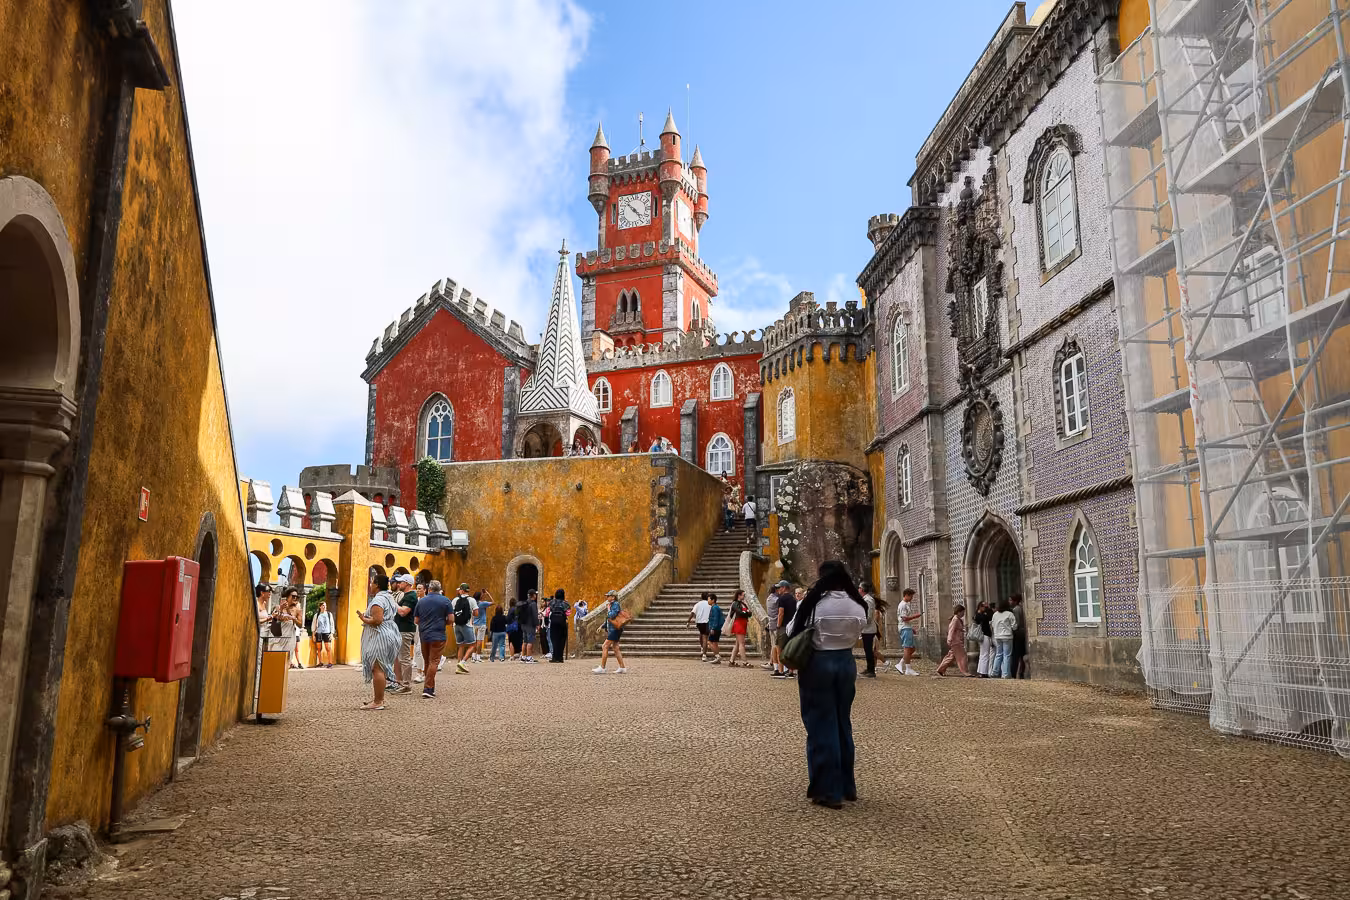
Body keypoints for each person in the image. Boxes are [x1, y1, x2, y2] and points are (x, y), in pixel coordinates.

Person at [787, 560, 869, 810]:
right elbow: (861, 628)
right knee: (842, 721)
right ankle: (847, 786)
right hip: (846, 663)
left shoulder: (814, 605)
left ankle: (828, 789)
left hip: (819, 664)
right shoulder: (859, 604)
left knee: (821, 724)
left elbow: (792, 630)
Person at [356, 574, 400, 710]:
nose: (370, 585)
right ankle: (378, 698)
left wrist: (363, 618)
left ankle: (378, 701)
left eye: (372, 583)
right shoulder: (389, 597)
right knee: (380, 667)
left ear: (377, 584)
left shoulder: (378, 600)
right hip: (389, 633)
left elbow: (377, 621)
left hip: (380, 635)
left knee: (377, 667)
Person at [413, 580, 453, 699]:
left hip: (424, 634)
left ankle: (430, 686)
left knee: (427, 661)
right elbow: (451, 619)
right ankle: (428, 688)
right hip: (438, 634)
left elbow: (416, 620)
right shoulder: (445, 601)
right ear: (439, 589)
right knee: (434, 661)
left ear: (429, 589)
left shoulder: (422, 601)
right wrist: (442, 622)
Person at [390, 574, 418, 692]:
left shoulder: (411, 596)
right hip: (401, 629)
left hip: (405, 630)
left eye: (401, 582)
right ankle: (400, 682)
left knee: (405, 658)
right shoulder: (407, 595)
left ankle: (406, 685)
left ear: (407, 583)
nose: (399, 584)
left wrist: (392, 602)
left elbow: (403, 612)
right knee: (399, 657)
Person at [592, 590, 628, 674]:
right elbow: (610, 620)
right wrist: (602, 626)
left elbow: (612, 615)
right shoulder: (612, 604)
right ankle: (622, 667)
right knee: (615, 648)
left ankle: (602, 668)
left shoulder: (615, 604)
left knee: (605, 646)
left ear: (613, 597)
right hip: (614, 629)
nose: (607, 597)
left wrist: (608, 610)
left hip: (615, 629)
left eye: (608, 596)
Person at [934, 603, 970, 676]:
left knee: (950, 656)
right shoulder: (955, 619)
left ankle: (940, 669)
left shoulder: (957, 619)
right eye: (962, 612)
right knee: (962, 656)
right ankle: (964, 671)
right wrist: (949, 639)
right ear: (959, 612)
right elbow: (951, 630)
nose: (963, 614)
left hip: (957, 640)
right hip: (956, 641)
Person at [893, 588, 922, 676]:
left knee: (912, 648)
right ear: (906, 595)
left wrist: (911, 627)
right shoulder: (902, 605)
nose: (912, 598)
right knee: (907, 647)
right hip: (904, 627)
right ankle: (908, 668)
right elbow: (904, 618)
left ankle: (901, 663)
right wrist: (915, 616)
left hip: (907, 627)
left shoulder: (906, 604)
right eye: (911, 596)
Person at [772, 582, 798, 678]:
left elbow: (781, 613)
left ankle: (781, 670)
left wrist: (778, 625)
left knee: (779, 648)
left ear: (784, 588)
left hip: (783, 626)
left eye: (780, 588)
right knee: (790, 649)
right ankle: (790, 671)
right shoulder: (793, 599)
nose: (779, 590)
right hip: (791, 626)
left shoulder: (782, 599)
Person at [452, 584, 476, 674]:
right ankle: (463, 662)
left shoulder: (455, 600)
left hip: (456, 625)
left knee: (461, 645)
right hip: (467, 625)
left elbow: (452, 612)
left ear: (462, 590)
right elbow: (476, 613)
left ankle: (458, 666)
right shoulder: (471, 600)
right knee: (472, 645)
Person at [859, 582, 881, 678]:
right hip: (866, 629)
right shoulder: (865, 599)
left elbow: (868, 615)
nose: (858, 589)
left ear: (862, 589)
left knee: (868, 650)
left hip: (868, 629)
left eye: (859, 588)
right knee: (867, 649)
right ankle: (869, 668)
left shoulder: (868, 600)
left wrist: (862, 623)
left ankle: (871, 670)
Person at [992, 599, 1017, 679]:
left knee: (998, 654)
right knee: (1007, 655)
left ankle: (995, 672)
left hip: (997, 636)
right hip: (1007, 636)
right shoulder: (1009, 614)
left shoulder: (995, 614)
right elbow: (1014, 626)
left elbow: (992, 624)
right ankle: (1006, 674)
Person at [762, 581, 784, 671]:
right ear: (776, 590)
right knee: (777, 645)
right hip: (776, 624)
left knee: (773, 644)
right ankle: (776, 664)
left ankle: (771, 662)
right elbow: (780, 612)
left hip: (771, 623)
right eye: (779, 588)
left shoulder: (769, 598)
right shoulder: (777, 599)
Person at [727, 590, 752, 667]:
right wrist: (746, 613)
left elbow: (749, 613)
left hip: (742, 623)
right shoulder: (735, 604)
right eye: (743, 595)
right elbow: (740, 612)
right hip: (739, 624)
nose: (744, 596)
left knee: (738, 644)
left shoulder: (743, 604)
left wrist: (746, 613)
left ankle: (731, 661)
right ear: (739, 595)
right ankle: (745, 662)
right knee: (741, 643)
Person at [973, 600, 996, 678]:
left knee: (982, 654)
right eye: (984, 607)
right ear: (980, 607)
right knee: (985, 654)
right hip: (985, 635)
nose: (985, 608)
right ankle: (983, 672)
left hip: (982, 635)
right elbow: (988, 618)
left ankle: (981, 671)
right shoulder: (981, 615)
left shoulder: (978, 615)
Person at [686, 591, 712, 659]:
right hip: (707, 621)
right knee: (705, 638)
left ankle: (702, 647)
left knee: (701, 634)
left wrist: (688, 621)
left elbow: (692, 613)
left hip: (699, 622)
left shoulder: (697, 604)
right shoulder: (710, 604)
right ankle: (704, 654)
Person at [1009, 593, 1030, 679]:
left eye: (1010, 600)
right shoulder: (1019, 608)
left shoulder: (1016, 609)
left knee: (1017, 655)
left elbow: (1016, 623)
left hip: (1018, 634)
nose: (1009, 602)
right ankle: (1021, 672)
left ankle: (1016, 673)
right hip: (1021, 633)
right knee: (1021, 654)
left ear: (1015, 601)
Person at [311, 600, 335, 668]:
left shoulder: (329, 614)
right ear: (320, 607)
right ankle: (320, 662)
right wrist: (313, 634)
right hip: (319, 632)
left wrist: (332, 633)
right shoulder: (317, 615)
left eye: (325, 605)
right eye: (323, 605)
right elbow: (314, 624)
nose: (324, 607)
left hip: (327, 632)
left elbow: (332, 624)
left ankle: (330, 662)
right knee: (319, 648)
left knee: (328, 648)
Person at [548, 589, 571, 663]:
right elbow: (568, 613)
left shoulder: (551, 602)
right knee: (562, 639)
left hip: (553, 622)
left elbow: (547, 612)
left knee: (554, 639)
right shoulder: (566, 603)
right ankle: (560, 657)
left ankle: (554, 657)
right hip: (562, 622)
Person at [517, 590, 539, 663]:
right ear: (533, 595)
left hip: (523, 625)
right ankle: (529, 657)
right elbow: (535, 615)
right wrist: (537, 624)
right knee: (530, 641)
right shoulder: (533, 604)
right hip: (530, 625)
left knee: (525, 641)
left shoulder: (525, 603)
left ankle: (523, 657)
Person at [705, 593, 725, 664]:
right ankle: (717, 657)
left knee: (709, 642)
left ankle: (717, 656)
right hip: (717, 627)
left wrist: (713, 628)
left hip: (715, 628)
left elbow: (716, 618)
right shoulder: (715, 607)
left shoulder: (715, 608)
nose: (708, 600)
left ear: (713, 600)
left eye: (709, 599)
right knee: (715, 643)